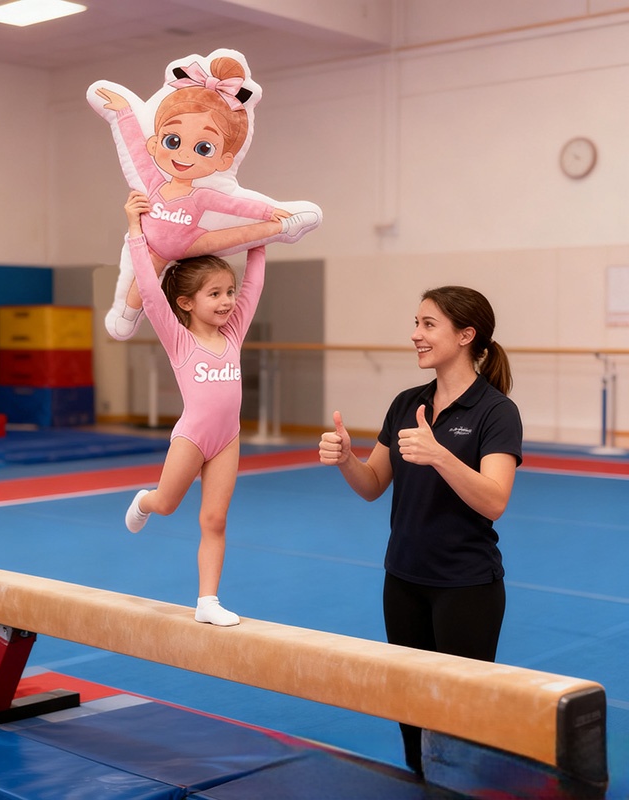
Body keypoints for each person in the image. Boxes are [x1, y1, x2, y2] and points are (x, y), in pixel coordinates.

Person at [318, 285, 522, 777]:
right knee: (411, 711)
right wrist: (347, 459)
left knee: (461, 714)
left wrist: (438, 454)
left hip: (465, 587)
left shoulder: (496, 412)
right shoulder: (407, 402)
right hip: (403, 581)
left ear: (466, 335)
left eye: (428, 325)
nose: (415, 335)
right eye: (416, 323)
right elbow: (372, 485)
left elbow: (494, 500)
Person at [94, 54, 318, 340]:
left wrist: (266, 212)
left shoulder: (202, 195)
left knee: (237, 235)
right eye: (172, 142)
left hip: (192, 239)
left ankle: (283, 227)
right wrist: (123, 111)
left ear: (223, 161)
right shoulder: (151, 179)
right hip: (157, 249)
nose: (184, 155)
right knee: (144, 281)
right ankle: (126, 313)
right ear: (155, 142)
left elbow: (232, 204)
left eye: (203, 149)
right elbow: (135, 146)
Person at [121, 189, 267, 626]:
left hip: (227, 439)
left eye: (229, 292)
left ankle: (208, 601)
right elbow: (149, 291)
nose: (227, 301)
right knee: (168, 504)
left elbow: (255, 285)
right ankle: (144, 500)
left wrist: (263, 233)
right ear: (186, 303)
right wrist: (134, 230)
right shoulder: (179, 338)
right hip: (192, 436)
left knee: (215, 518)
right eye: (215, 295)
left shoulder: (234, 332)